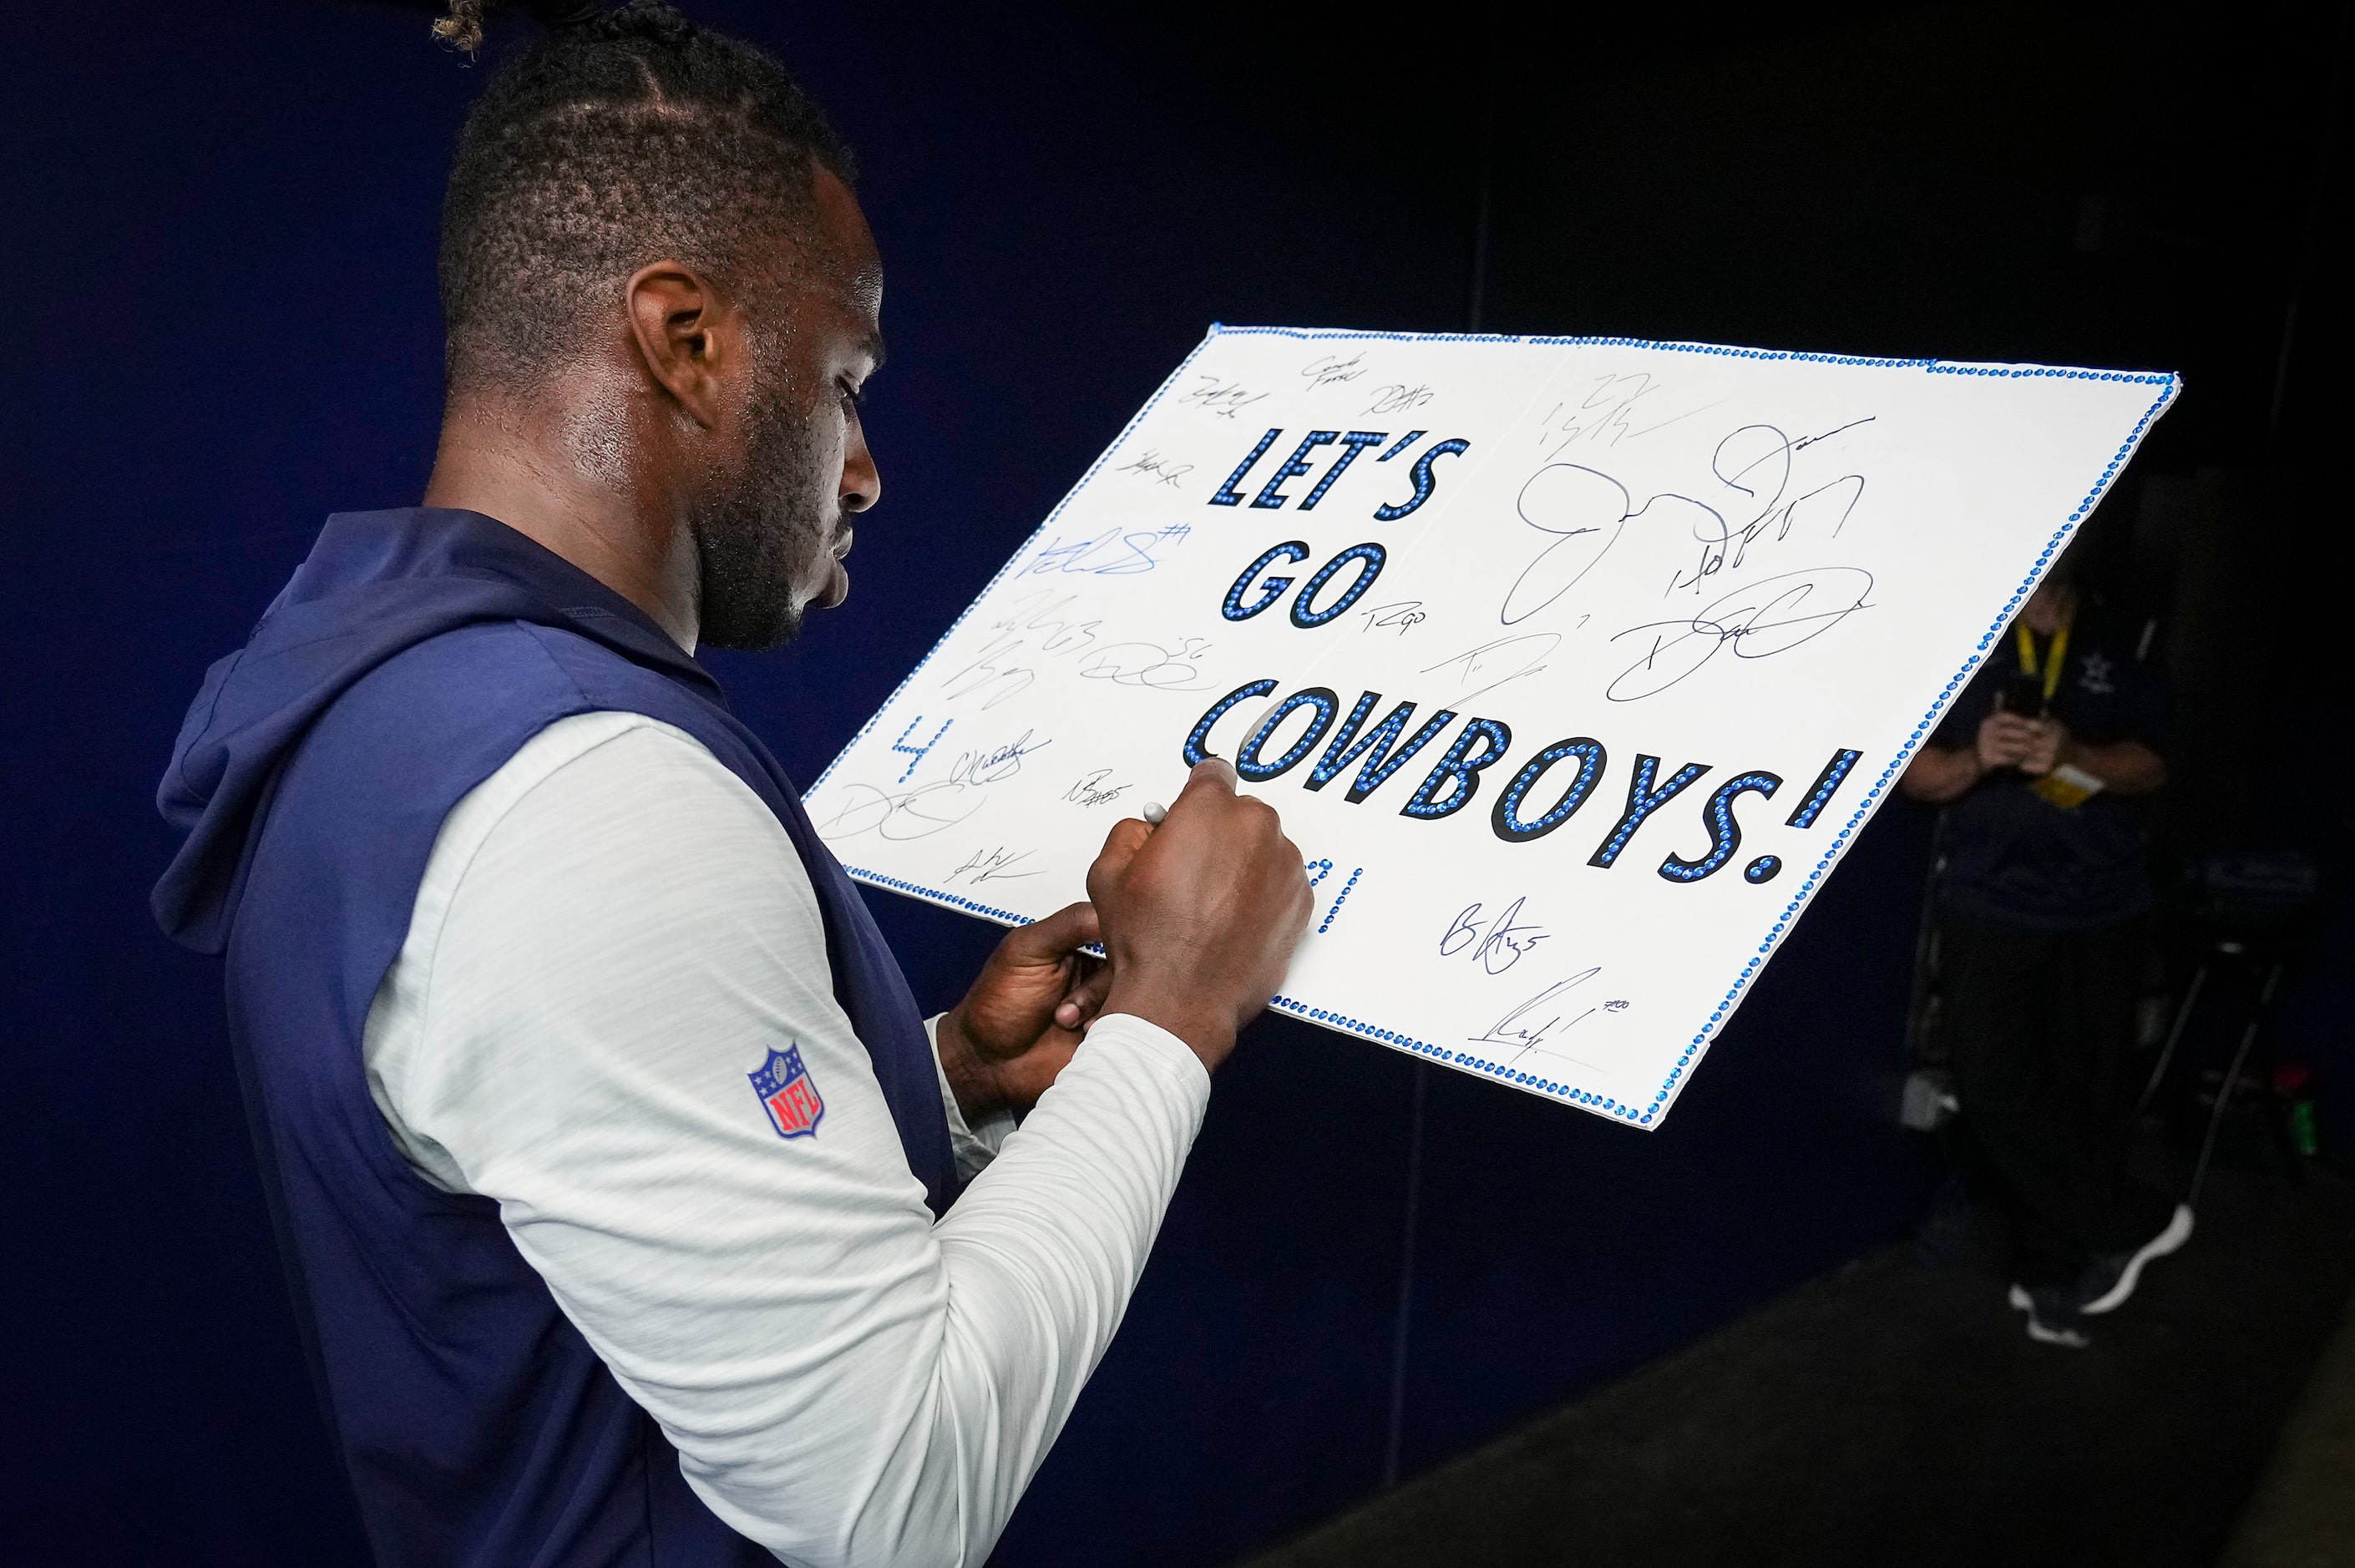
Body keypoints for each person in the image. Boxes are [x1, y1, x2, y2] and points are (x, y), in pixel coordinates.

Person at [149, 4, 1313, 1565]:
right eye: (847, 378)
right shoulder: (581, 795)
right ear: (682, 338)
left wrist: (944, 1077)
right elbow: (892, 1494)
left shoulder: (389, 696)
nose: (864, 464)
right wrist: (1176, 1016)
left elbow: (563, 1157)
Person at [1900, 546, 2191, 1348]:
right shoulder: (1957, 639)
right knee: (1994, 1092)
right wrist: (1976, 758)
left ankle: (2052, 1280)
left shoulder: (2123, 637)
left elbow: (2153, 766)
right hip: (1988, 908)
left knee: (2087, 1104)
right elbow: (1911, 776)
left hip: (2105, 908)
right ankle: (2131, 1222)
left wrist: (2074, 757)